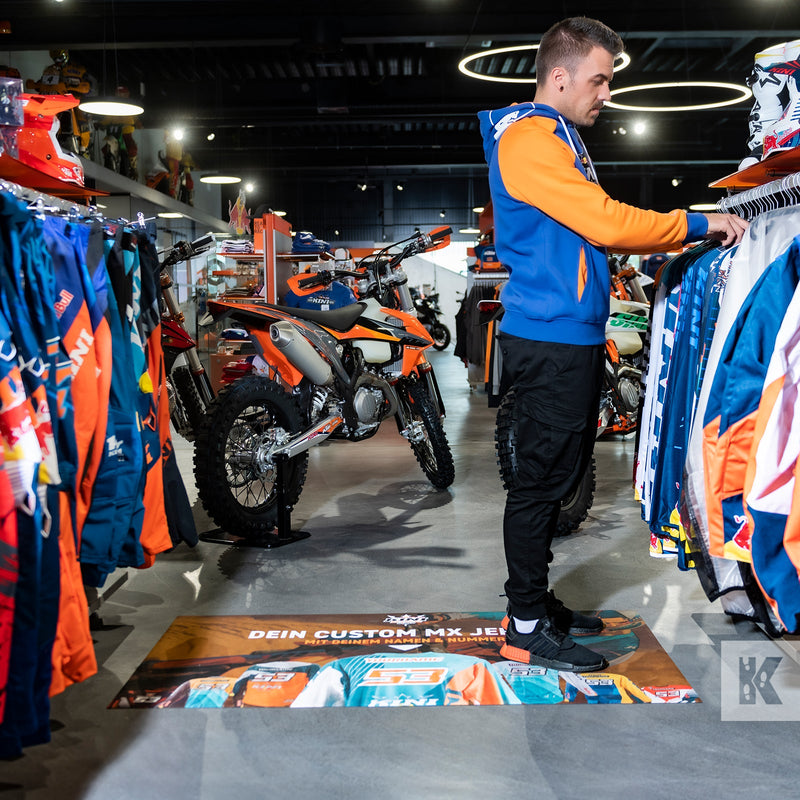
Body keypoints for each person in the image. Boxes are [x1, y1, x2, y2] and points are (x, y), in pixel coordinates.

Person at [478, 16, 748, 672]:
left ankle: (537, 605)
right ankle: (522, 624)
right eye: (599, 80)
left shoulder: (558, 136)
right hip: (548, 337)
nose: (606, 93)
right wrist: (698, 223)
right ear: (561, 76)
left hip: (566, 332)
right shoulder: (530, 139)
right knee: (541, 482)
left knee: (562, 473)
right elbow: (603, 221)